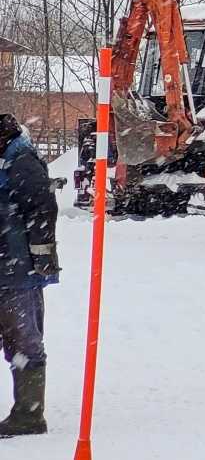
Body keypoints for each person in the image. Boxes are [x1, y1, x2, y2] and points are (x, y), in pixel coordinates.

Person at [0, 113, 59, 438]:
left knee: (23, 340)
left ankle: (29, 414)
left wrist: (41, 257)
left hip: (15, 270)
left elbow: (41, 208)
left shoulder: (21, 160)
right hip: (7, 265)